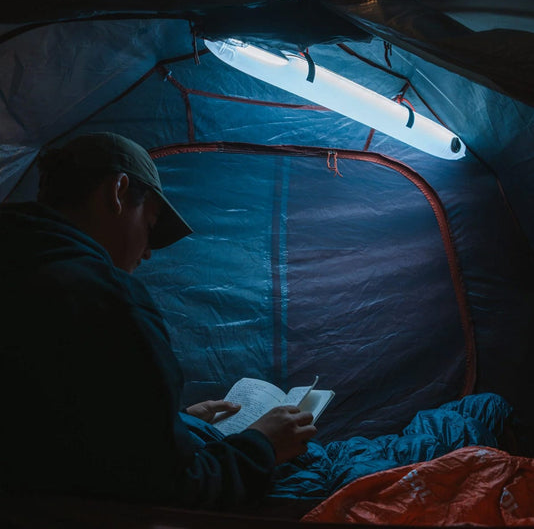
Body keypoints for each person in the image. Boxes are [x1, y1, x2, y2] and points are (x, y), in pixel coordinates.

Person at [0, 132, 317, 509]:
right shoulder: (106, 298)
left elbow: (63, 432)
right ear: (117, 193)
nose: (148, 253)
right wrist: (263, 444)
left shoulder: (18, 269)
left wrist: (176, 423)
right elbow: (174, 490)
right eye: (150, 226)